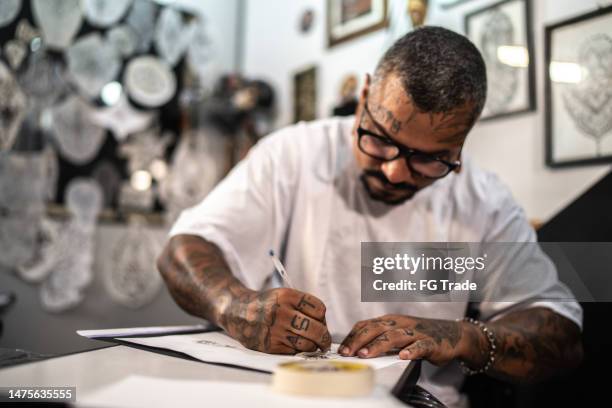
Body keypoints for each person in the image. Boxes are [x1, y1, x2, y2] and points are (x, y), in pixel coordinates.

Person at [157, 27, 582, 407]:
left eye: (430, 160)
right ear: (364, 99)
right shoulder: (293, 155)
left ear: (461, 145)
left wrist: (464, 336)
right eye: (380, 140)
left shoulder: (484, 202)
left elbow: (561, 335)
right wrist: (233, 303)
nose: (395, 171)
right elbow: (183, 249)